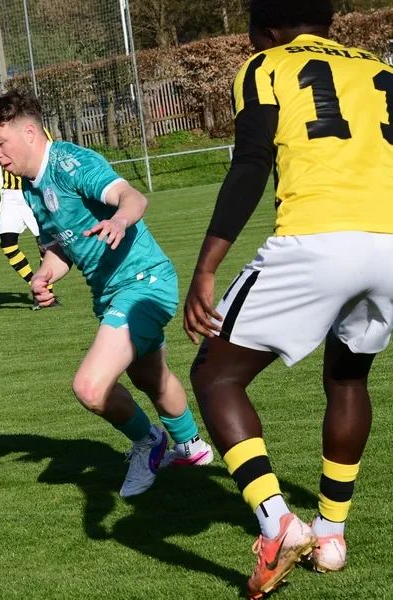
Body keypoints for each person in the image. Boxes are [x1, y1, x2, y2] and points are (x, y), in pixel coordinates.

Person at [183, 1, 393, 595]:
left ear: (268, 30)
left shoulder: (266, 65)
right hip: (390, 242)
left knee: (215, 375)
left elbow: (252, 162)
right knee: (348, 379)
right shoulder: (379, 68)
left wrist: (206, 266)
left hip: (317, 238)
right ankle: (331, 536)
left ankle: (278, 523)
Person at [0, 91, 212, 499]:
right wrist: (45, 274)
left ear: (29, 132)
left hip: (143, 282)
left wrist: (119, 220)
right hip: (110, 292)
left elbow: (133, 197)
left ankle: (148, 442)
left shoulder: (72, 163)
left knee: (90, 387)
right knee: (149, 377)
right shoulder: (31, 187)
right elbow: (61, 248)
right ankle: (191, 447)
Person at [0, 149, 60, 310]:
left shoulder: (31, 137)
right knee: (7, 245)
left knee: (45, 245)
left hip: (31, 192)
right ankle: (36, 285)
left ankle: (47, 291)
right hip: (9, 198)